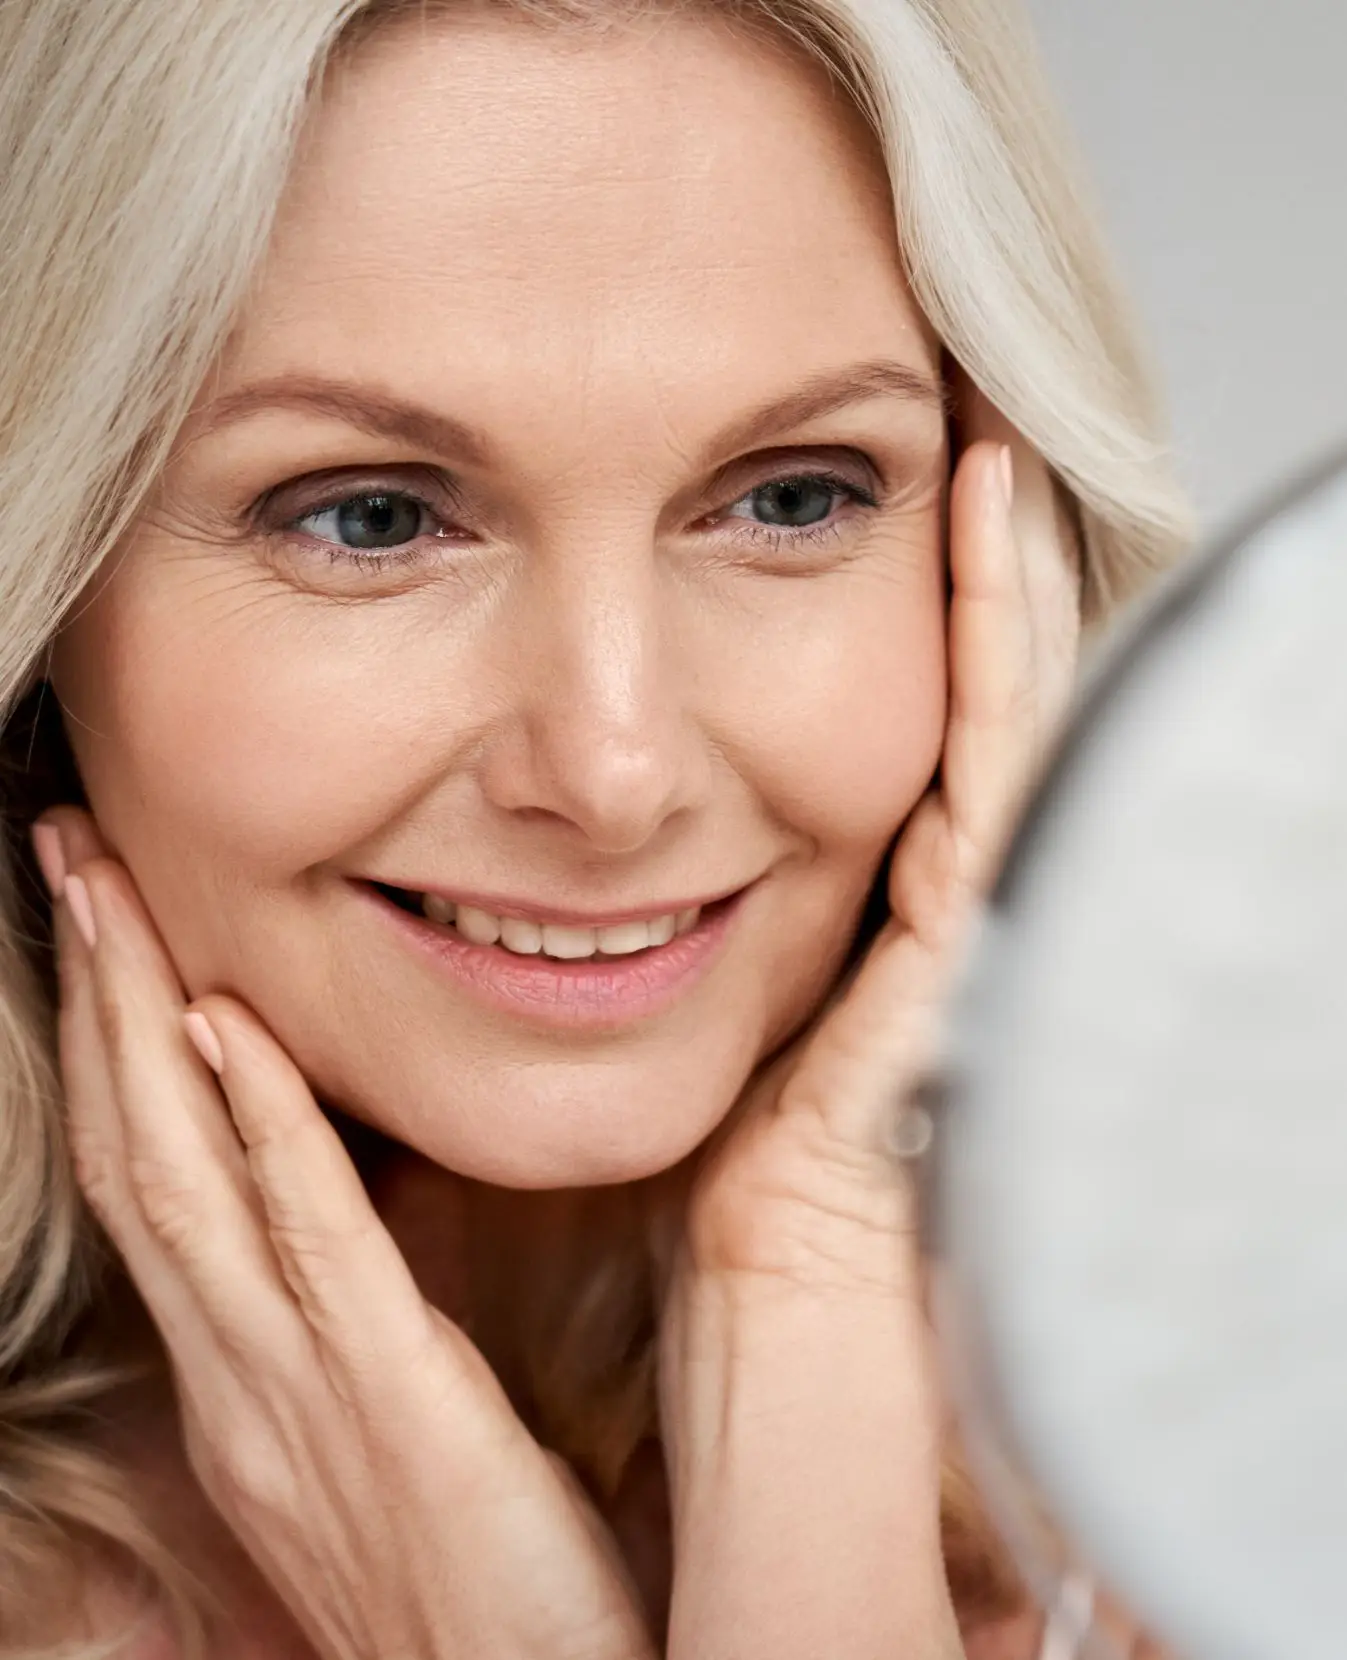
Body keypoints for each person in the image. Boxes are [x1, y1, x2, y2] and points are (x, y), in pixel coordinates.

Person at [0, 0, 1192, 1654]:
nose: (612, 766)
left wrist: (805, 1336)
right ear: (46, 586)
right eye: (373, 517)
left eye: (791, 495)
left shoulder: (1237, 1507)